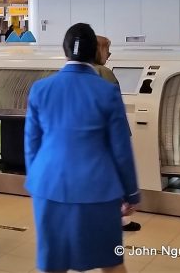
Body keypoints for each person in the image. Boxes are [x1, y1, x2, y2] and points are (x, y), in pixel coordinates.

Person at [25, 23, 139, 273]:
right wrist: (130, 193)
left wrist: (38, 180)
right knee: (111, 261)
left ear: (65, 50)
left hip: (49, 187)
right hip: (98, 189)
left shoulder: (40, 89)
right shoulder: (106, 91)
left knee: (53, 262)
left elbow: (32, 145)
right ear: (94, 53)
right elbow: (121, 149)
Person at [93, 35, 142, 233]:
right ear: (98, 51)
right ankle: (119, 218)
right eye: (107, 51)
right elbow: (115, 109)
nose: (109, 55)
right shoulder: (104, 72)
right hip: (106, 136)